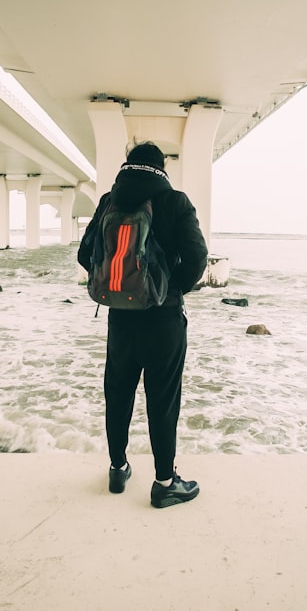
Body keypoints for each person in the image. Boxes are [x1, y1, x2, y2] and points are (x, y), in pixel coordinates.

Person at [78, 141, 209, 508]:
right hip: (164, 318)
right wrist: (171, 290)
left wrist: (115, 287)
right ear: (161, 168)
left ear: (128, 166)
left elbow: (84, 254)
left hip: (121, 316)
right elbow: (198, 257)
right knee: (162, 399)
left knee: (118, 392)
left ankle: (118, 468)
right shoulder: (175, 202)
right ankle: (165, 482)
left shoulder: (109, 201)